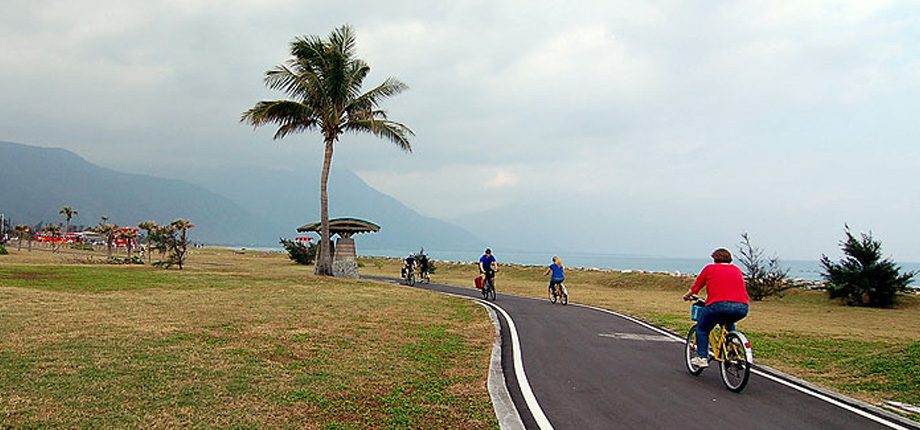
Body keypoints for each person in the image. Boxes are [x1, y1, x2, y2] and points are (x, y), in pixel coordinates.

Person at [682, 248, 750, 368]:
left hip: (717, 305)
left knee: (702, 329)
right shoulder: (736, 270)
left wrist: (687, 296)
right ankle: (733, 340)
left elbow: (696, 287)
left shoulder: (710, 269)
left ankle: (702, 358)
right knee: (728, 320)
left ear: (714, 258)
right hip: (742, 307)